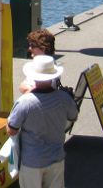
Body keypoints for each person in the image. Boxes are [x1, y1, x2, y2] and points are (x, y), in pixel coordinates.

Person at [7, 55, 78, 188]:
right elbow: (73, 116)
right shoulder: (64, 98)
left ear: (33, 77)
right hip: (56, 156)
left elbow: (11, 130)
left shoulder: (25, 102)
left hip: (32, 160)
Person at [20, 30, 56, 94]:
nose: (30, 48)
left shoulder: (48, 69)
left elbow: (29, 92)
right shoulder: (46, 65)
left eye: (32, 46)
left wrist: (26, 88)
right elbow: (22, 87)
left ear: (43, 48)